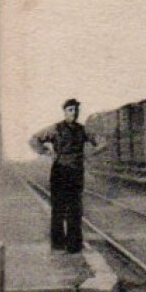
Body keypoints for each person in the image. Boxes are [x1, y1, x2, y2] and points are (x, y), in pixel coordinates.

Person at [29, 98, 104, 254]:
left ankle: (74, 246)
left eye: (76, 110)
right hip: (59, 172)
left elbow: (102, 142)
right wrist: (46, 151)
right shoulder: (55, 129)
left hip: (76, 172)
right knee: (58, 209)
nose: (74, 113)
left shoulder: (83, 130)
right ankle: (57, 245)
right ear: (64, 112)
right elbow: (34, 139)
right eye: (70, 110)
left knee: (75, 209)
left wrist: (91, 153)